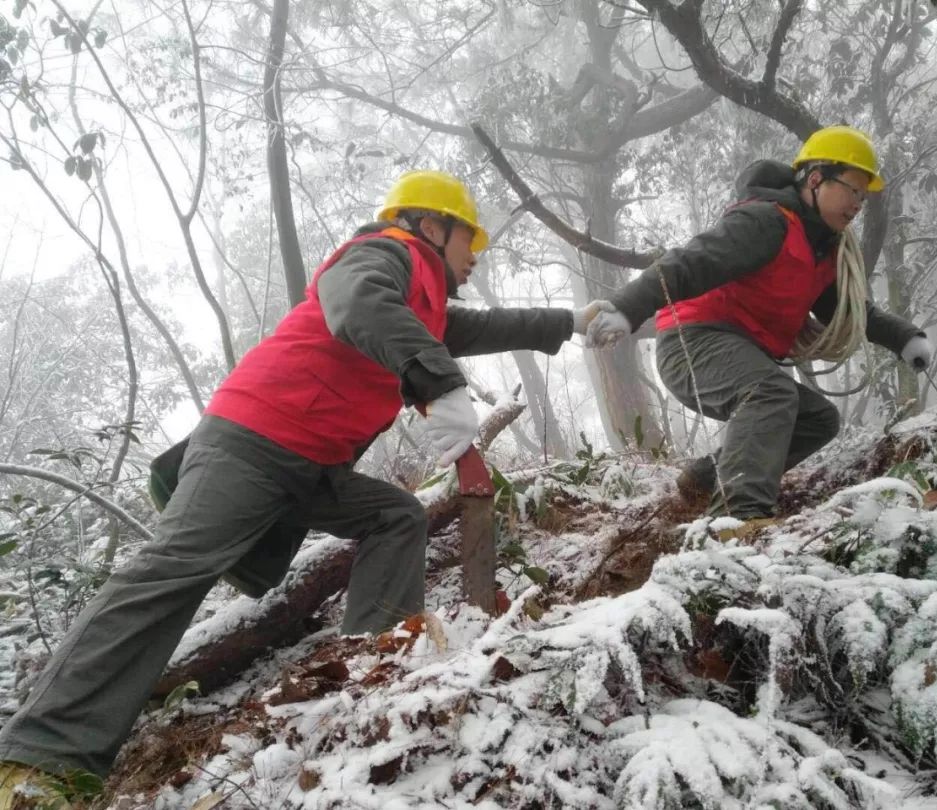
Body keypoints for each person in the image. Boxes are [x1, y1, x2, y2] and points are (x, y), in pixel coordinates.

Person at [0, 169, 609, 800]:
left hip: (309, 466)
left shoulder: (422, 302)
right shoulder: (384, 255)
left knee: (394, 516)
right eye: (467, 239)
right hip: (252, 441)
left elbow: (483, 326)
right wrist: (437, 382)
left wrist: (571, 320)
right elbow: (359, 306)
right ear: (431, 226)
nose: (474, 255)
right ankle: (38, 759)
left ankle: (374, 666)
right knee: (172, 571)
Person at [587, 125, 931, 528]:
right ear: (816, 179)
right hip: (693, 343)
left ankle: (706, 477)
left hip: (741, 353)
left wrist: (905, 337)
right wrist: (627, 309)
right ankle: (738, 520)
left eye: (862, 195)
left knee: (819, 419)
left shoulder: (822, 249)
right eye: (851, 189)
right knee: (772, 393)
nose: (857, 204)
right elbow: (688, 263)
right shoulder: (767, 222)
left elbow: (852, 312)